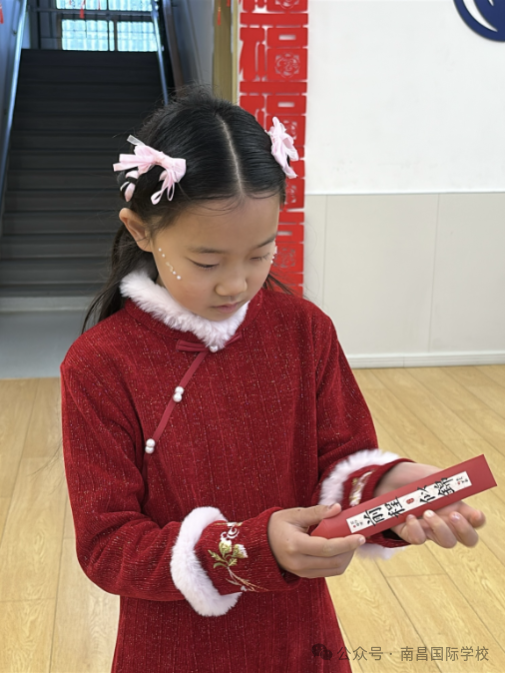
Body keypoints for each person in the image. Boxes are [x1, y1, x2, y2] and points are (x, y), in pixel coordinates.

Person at [60, 89, 485, 674]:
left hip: (299, 637)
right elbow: (108, 546)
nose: (236, 283)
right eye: (207, 262)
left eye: (261, 255)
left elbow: (341, 461)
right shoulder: (99, 365)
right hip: (174, 649)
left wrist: (387, 485)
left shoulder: (304, 331)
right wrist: (252, 550)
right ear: (140, 231)